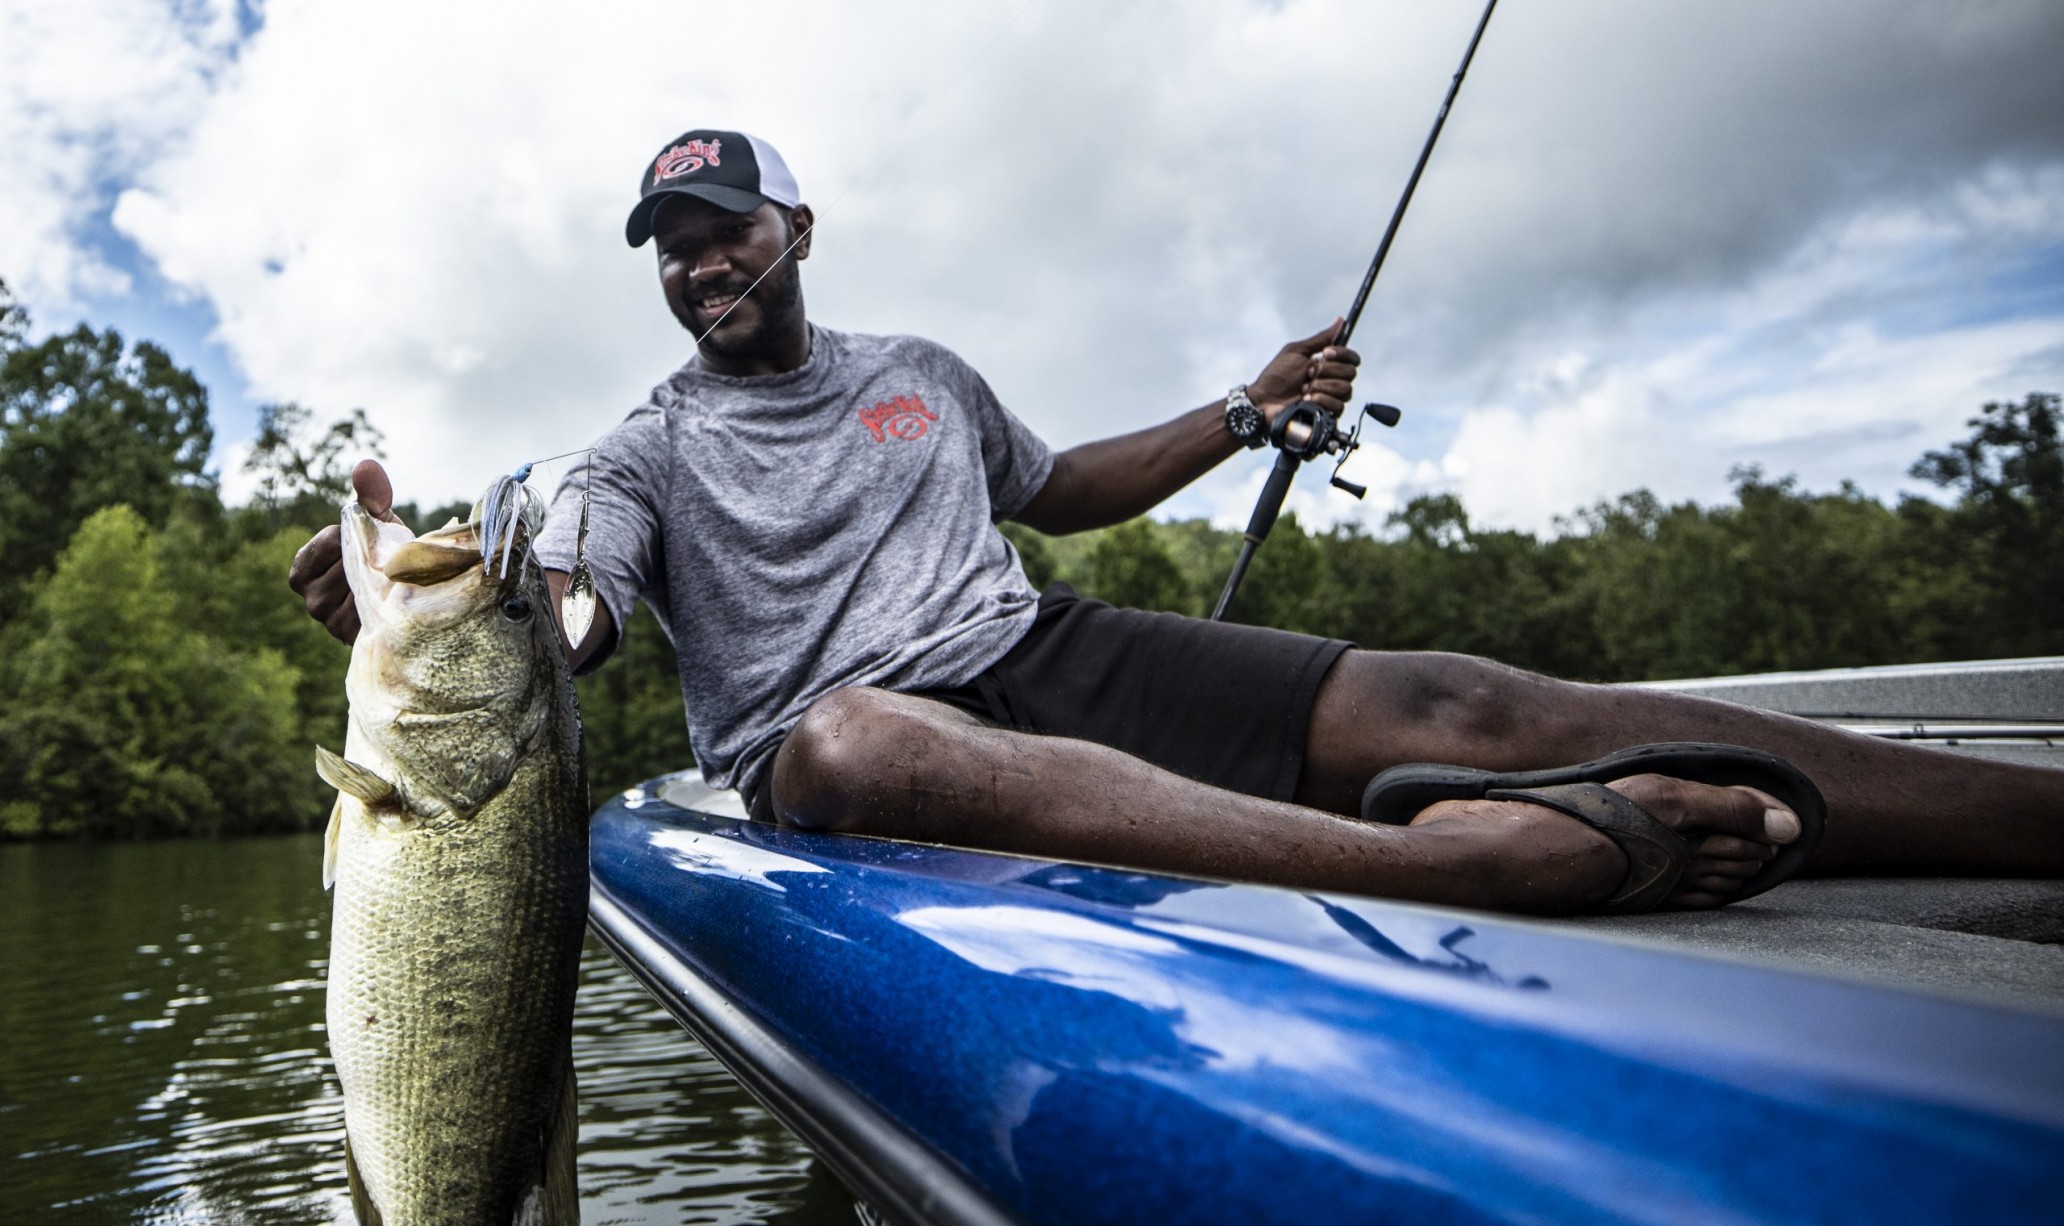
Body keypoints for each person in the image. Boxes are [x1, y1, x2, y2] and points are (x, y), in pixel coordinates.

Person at [291, 129, 2062, 916]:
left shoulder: (922, 369)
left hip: (1042, 650)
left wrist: (1238, 412)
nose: (701, 268)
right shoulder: (638, 450)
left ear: (796, 229)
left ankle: (2029, 818)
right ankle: (1456, 861)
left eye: (725, 230)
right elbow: (578, 605)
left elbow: (1060, 490)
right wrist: (435, 618)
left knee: (1457, 699)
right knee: (838, 733)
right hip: (866, 747)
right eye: (673, 248)